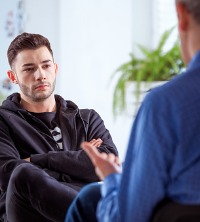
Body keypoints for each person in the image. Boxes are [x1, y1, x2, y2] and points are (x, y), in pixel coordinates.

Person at [65, 0, 200, 221]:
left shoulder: (165, 104)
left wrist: (110, 178)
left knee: (89, 198)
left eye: (46, 64)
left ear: (181, 13)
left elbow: (127, 217)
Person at [0, 32, 118, 222]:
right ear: (13, 76)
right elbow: (6, 173)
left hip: (80, 204)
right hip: (29, 214)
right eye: (29, 69)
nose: (40, 75)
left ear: (55, 69)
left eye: (46, 66)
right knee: (22, 173)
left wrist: (38, 160)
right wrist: (77, 166)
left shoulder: (87, 119)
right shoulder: (3, 120)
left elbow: (106, 163)